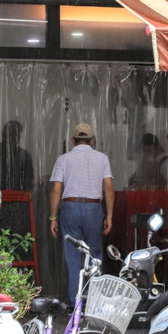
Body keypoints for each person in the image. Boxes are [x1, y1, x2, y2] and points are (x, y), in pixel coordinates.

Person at [49, 123, 114, 305]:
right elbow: (108, 187)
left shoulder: (63, 159)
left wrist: (53, 217)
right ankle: (94, 303)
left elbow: (56, 190)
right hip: (93, 209)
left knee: (73, 256)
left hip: (70, 208)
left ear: (73, 141)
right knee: (94, 255)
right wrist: (109, 215)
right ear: (92, 141)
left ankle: (74, 303)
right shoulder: (102, 158)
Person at [0, 120, 35, 191]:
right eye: (12, 134)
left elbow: (28, 179)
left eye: (16, 135)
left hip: (16, 195)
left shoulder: (23, 154)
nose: (15, 137)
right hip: (14, 195)